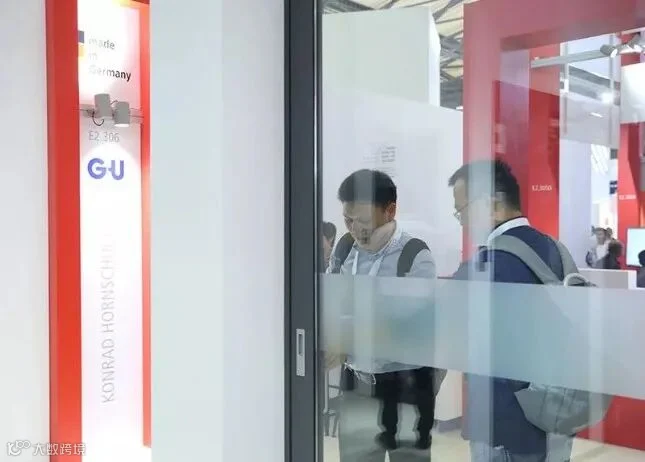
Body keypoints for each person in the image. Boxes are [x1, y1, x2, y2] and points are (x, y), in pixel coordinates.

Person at [450, 159, 573, 462]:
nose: (462, 222)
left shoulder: (486, 265)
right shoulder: (557, 251)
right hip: (558, 417)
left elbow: (434, 323)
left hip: (504, 427)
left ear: (491, 205)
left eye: (462, 211)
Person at [327, 169, 439, 459]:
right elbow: (333, 302)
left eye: (362, 220)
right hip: (356, 384)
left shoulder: (415, 256)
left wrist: (349, 339)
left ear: (390, 211)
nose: (354, 229)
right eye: (347, 220)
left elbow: (408, 328)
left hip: (405, 387)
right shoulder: (345, 249)